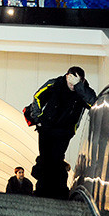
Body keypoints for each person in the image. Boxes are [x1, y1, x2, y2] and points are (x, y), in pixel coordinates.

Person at [26, 66, 96, 199]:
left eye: (75, 83)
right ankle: (42, 191)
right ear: (66, 76)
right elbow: (38, 96)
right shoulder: (55, 84)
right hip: (46, 129)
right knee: (45, 158)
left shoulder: (83, 91)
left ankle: (57, 192)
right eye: (70, 82)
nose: (72, 86)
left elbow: (93, 103)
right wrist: (38, 118)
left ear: (81, 81)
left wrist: (79, 87)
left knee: (57, 159)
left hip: (64, 133)